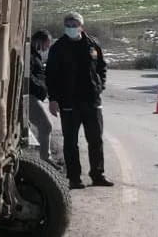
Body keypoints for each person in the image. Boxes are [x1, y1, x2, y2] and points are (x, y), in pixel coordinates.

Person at [45, 11, 113, 189]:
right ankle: (74, 178)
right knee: (70, 142)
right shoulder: (58, 48)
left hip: (92, 101)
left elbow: (101, 68)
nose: (72, 28)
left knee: (96, 139)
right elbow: (51, 75)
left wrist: (100, 86)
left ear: (81, 26)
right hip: (69, 103)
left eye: (75, 25)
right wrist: (53, 100)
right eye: (68, 25)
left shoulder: (92, 45)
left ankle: (98, 174)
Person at [27, 30, 54, 161]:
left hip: (34, 96)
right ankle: (45, 158)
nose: (47, 48)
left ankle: (44, 156)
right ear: (39, 41)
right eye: (46, 44)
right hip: (30, 96)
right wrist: (41, 88)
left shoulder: (34, 54)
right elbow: (28, 77)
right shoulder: (30, 55)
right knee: (46, 125)